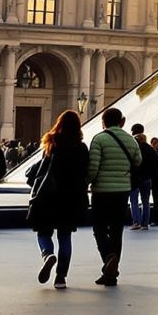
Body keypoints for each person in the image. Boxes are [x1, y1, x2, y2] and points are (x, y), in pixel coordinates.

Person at [28, 110, 90, 290]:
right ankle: (61, 278)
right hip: (71, 197)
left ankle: (47, 254)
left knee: (43, 232)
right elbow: (85, 173)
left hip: (48, 196)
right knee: (65, 236)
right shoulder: (81, 147)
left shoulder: (51, 143)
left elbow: (42, 170)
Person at [86, 107, 139, 287]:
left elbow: (93, 167)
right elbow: (138, 161)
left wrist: (88, 181)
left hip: (102, 191)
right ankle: (111, 274)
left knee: (100, 229)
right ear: (121, 121)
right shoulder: (131, 140)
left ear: (103, 122)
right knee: (117, 230)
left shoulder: (99, 139)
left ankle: (109, 259)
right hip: (123, 191)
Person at [126, 124, 152, 230]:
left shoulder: (133, 148)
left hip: (135, 178)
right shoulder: (150, 149)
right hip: (146, 178)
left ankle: (136, 222)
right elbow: (155, 162)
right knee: (145, 201)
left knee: (134, 201)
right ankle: (145, 223)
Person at [141, 136, 158, 227]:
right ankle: (150, 220)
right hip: (154, 178)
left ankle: (153, 220)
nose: (156, 144)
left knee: (152, 200)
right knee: (150, 200)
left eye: (157, 143)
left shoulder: (152, 152)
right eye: (155, 143)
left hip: (154, 178)